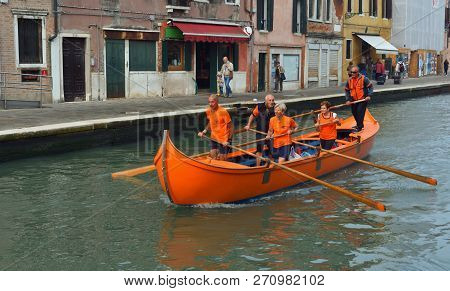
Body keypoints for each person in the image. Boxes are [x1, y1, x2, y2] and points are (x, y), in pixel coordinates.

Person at [198, 95, 233, 160]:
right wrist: (204, 131)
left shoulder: (223, 112)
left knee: (223, 160)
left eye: (212, 102)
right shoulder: (208, 110)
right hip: (214, 138)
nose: (210, 104)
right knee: (213, 156)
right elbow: (210, 122)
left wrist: (229, 140)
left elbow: (231, 126)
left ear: (217, 102)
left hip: (223, 139)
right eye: (209, 102)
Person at [244, 94, 276, 166]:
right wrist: (248, 125)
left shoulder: (276, 108)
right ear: (266, 101)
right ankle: (258, 166)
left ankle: (272, 165)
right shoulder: (259, 107)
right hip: (260, 132)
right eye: (270, 100)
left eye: (273, 100)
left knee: (271, 150)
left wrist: (275, 133)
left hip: (271, 133)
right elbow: (252, 115)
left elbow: (279, 120)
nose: (272, 102)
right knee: (259, 150)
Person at [345, 66, 373, 132]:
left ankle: (360, 127)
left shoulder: (364, 79)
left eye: (354, 72)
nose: (352, 74)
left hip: (363, 99)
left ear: (358, 72)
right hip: (353, 100)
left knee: (359, 112)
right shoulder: (349, 80)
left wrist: (369, 95)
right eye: (351, 72)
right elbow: (346, 90)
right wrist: (348, 99)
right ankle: (359, 124)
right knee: (354, 113)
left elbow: (371, 87)